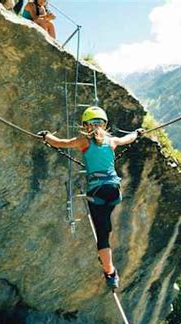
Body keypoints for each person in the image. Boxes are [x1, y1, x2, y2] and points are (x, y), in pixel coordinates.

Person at [38, 106, 144, 289]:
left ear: (86, 125)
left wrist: (46, 136)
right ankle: (107, 262)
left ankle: (110, 272)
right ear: (104, 124)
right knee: (106, 225)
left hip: (97, 192)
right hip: (114, 190)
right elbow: (128, 138)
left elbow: (60, 143)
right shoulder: (111, 141)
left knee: (102, 237)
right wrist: (137, 132)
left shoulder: (83, 141)